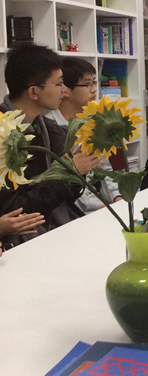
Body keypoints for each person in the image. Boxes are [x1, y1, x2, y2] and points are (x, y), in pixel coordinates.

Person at [0, 44, 98, 250]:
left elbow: (64, 195)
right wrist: (68, 174)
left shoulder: (50, 129)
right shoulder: (4, 135)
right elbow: (15, 211)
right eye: (59, 83)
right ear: (34, 92)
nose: (64, 89)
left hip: (57, 228)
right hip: (25, 242)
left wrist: (73, 178)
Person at [43, 57, 122, 212]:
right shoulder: (50, 128)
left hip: (100, 204)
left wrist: (116, 197)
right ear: (65, 89)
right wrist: (101, 206)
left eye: (94, 83)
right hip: (72, 210)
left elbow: (103, 167)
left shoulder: (93, 120)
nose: (94, 89)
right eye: (87, 84)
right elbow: (60, 183)